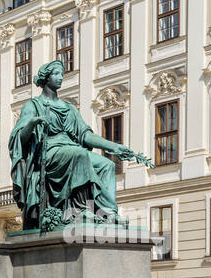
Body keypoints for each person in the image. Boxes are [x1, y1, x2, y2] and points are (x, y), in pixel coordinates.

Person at [9, 59, 149, 230]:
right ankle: (81, 209)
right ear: (46, 77)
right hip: (50, 152)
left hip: (70, 150)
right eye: (56, 74)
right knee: (79, 154)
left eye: (62, 74)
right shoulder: (33, 106)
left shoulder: (69, 108)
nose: (60, 78)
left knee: (107, 165)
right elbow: (19, 138)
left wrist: (113, 147)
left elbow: (85, 135)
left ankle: (108, 213)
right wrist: (33, 123)